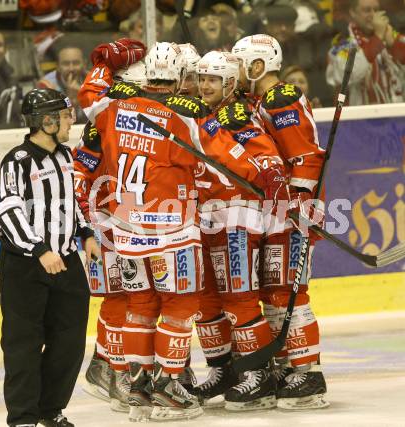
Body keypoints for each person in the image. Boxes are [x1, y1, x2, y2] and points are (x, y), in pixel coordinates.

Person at [78, 38, 284, 421]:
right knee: (179, 307)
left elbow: (90, 96)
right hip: (172, 230)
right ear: (178, 79)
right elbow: (225, 151)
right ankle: (169, 387)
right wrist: (265, 175)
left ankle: (136, 387)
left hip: (126, 228)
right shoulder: (184, 112)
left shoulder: (116, 107)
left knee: (139, 307)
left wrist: (103, 63)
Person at [232, 34, 329, 410]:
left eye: (241, 65)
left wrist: (300, 202)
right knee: (273, 291)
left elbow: (305, 156)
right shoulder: (257, 101)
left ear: (257, 67)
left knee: (287, 291)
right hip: (275, 210)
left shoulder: (279, 98)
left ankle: (308, 372)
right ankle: (290, 364)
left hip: (291, 212)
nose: (236, 73)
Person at [0, 88, 101, 427]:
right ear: (47, 121)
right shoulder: (16, 161)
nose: (72, 119)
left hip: (66, 262)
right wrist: (40, 249)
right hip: (26, 266)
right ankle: (23, 417)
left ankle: (50, 408)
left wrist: (85, 234)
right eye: (66, 115)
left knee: (69, 341)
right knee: (23, 344)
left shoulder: (66, 157)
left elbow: (72, 203)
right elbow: (9, 211)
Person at [192, 50, 288, 411]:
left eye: (212, 79)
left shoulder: (236, 112)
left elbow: (265, 155)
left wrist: (274, 177)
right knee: (207, 300)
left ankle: (258, 374)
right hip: (206, 215)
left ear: (230, 82)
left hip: (239, 215)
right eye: (202, 78)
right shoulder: (202, 113)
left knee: (240, 295)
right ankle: (224, 369)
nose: (204, 85)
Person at [76, 62, 147, 413]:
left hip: (134, 221)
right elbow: (79, 174)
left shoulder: (136, 120)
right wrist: (87, 225)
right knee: (120, 297)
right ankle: (115, 369)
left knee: (134, 298)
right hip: (106, 223)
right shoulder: (99, 127)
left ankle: (107, 364)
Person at [326, 0, 405, 105]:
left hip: (395, 114)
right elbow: (349, 74)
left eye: (376, 10)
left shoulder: (390, 35)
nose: (373, 15)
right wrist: (378, 39)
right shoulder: (342, 42)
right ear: (353, 12)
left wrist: (393, 44)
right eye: (367, 10)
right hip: (359, 116)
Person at [38, 44, 87, 122]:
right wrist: (69, 102)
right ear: (58, 66)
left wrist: (85, 96)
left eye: (76, 63)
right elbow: (48, 121)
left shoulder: (95, 81)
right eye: (66, 64)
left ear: (84, 64)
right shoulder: (46, 85)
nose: (71, 68)